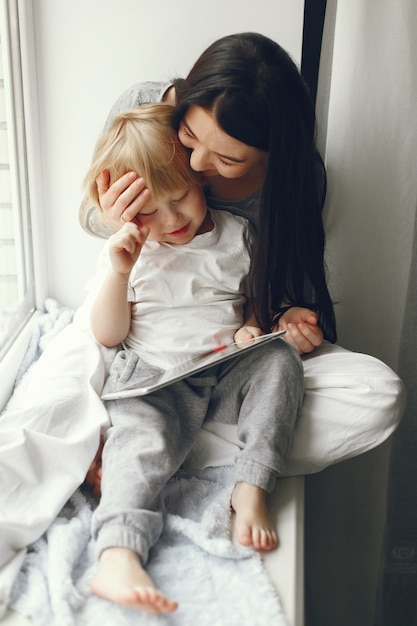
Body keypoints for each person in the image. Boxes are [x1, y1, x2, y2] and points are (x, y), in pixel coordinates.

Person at [83, 104, 304, 613]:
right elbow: (109, 334)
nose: (171, 220)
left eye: (180, 196)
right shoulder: (128, 252)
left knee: (281, 362)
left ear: (200, 179)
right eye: (148, 211)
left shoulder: (237, 235)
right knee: (138, 445)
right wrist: (119, 271)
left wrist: (260, 324)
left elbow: (255, 302)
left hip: (223, 368)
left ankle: (251, 486)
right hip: (156, 380)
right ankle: (118, 552)